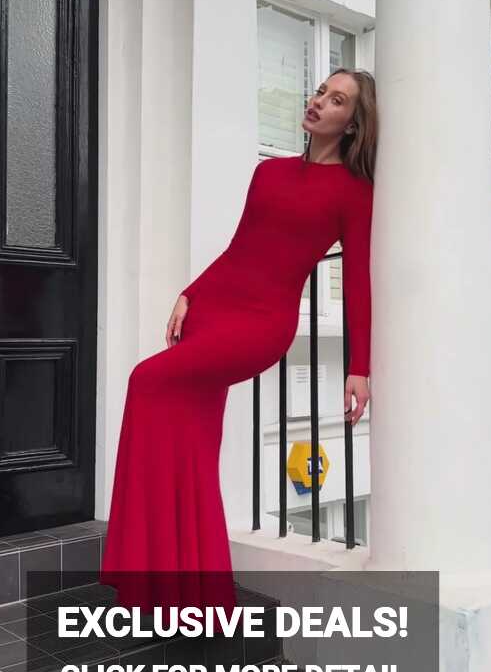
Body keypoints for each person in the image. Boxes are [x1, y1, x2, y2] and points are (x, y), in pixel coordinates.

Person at [100, 67, 376, 632]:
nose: (319, 101)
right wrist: (189, 293)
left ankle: (155, 572)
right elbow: (238, 250)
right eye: (321, 90)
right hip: (215, 309)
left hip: (259, 326)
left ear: (353, 124)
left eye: (337, 99)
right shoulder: (267, 173)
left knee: (146, 380)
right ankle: (182, 592)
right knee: (193, 439)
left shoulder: (354, 192)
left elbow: (359, 283)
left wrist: (360, 366)